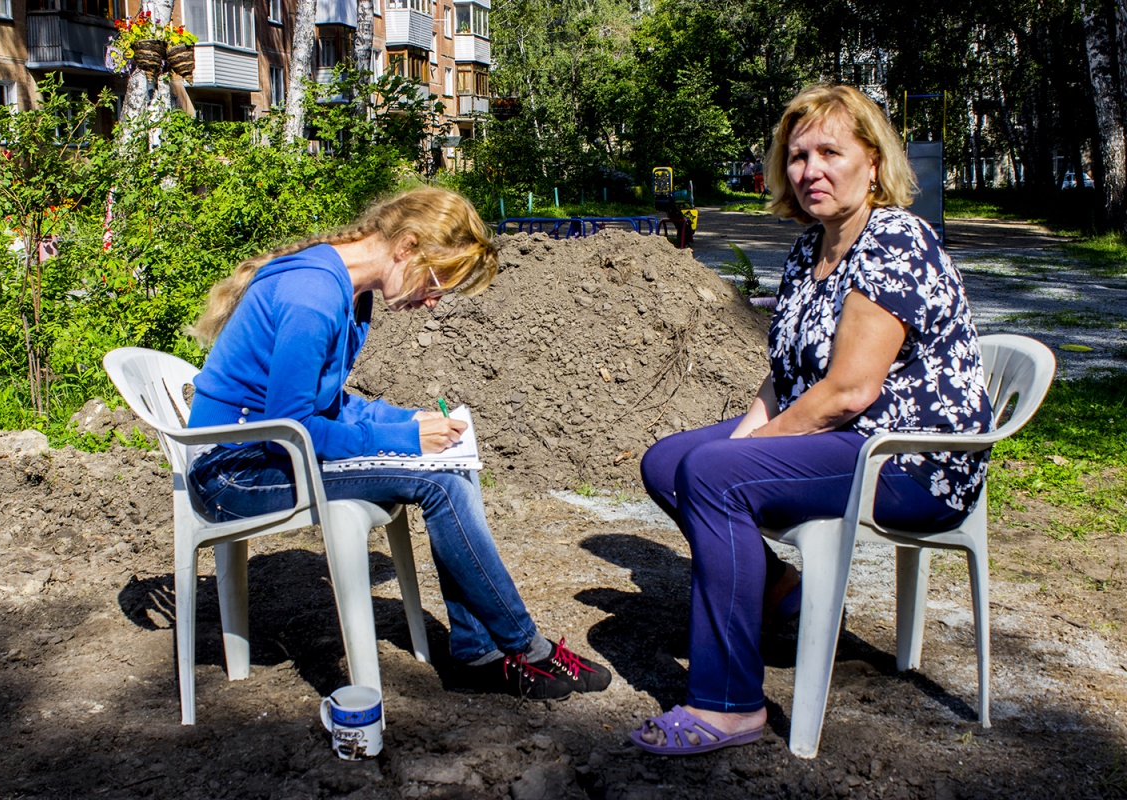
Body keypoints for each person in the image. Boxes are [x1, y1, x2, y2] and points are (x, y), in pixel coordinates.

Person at [632, 85, 992, 754]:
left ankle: (729, 706)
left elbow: (850, 390)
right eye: (797, 156)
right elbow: (787, 371)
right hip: (842, 439)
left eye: (831, 151)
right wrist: (747, 433)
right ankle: (783, 588)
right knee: (667, 462)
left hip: (910, 459)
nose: (810, 170)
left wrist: (740, 458)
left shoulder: (893, 239)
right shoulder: (810, 247)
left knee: (713, 475)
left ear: (874, 162)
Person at [185, 186, 611, 701]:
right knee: (439, 480)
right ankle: (525, 648)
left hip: (266, 452)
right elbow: (291, 431)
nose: (432, 302)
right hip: (236, 472)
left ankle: (479, 651)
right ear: (406, 247)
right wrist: (405, 437)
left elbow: (328, 403)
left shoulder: (350, 292)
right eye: (436, 282)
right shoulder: (313, 296)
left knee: (453, 463)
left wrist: (410, 420)